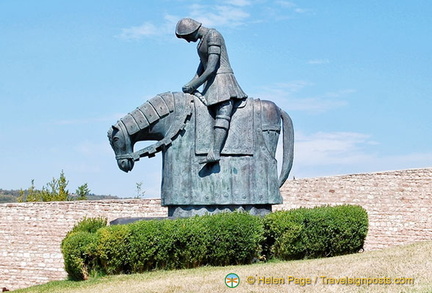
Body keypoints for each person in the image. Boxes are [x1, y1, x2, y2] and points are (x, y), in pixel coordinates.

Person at [175, 18, 248, 164]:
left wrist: (194, 85)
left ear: (191, 30)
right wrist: (190, 85)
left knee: (223, 113)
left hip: (222, 82)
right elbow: (202, 67)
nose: (188, 41)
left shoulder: (213, 35)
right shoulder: (201, 42)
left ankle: (215, 151)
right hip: (211, 83)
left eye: (186, 37)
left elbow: (212, 67)